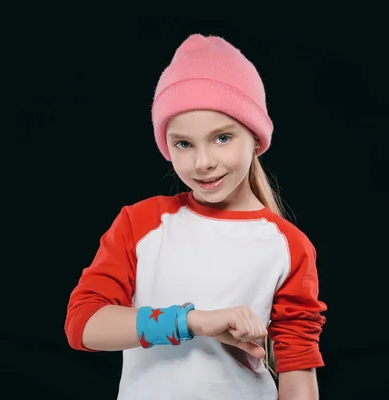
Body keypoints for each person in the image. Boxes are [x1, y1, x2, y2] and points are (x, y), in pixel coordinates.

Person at [64, 33, 327, 400]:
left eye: (222, 138)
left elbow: (298, 374)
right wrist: (193, 322)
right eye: (183, 144)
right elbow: (83, 325)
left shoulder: (288, 246)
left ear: (255, 136)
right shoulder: (140, 223)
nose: (202, 163)